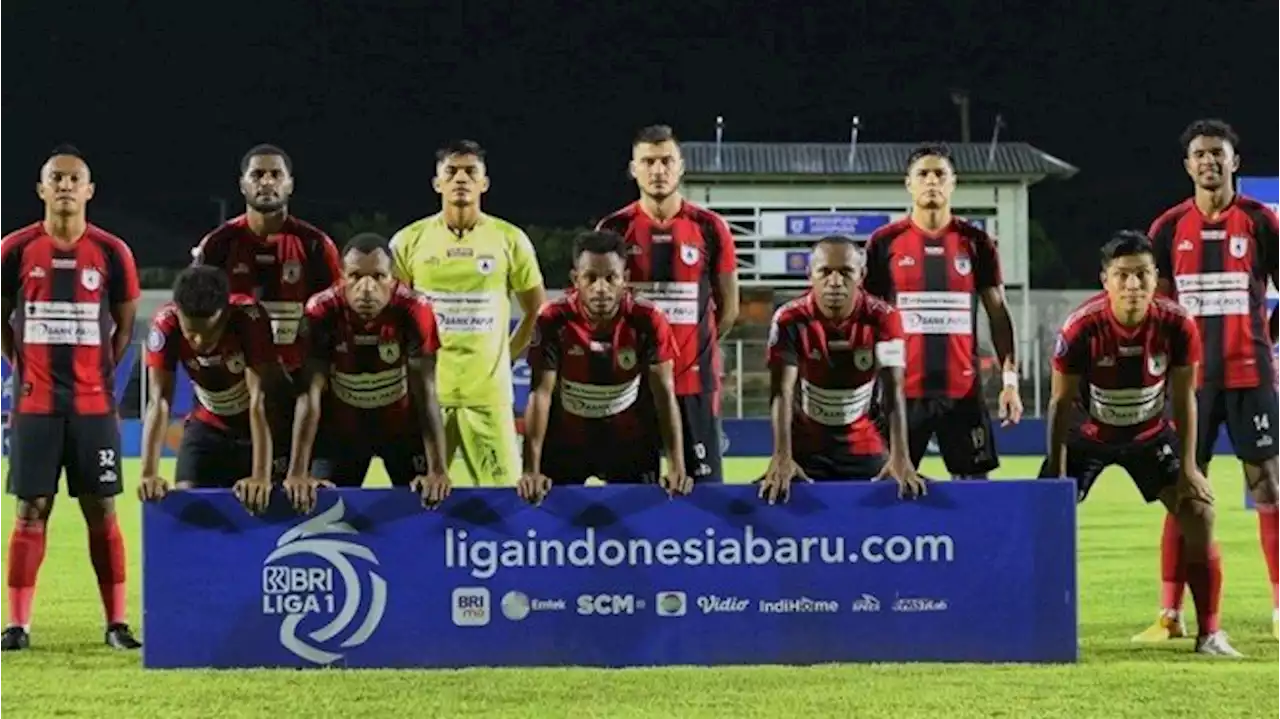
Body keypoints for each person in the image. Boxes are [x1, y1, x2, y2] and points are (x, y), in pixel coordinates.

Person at [1043, 230, 1239, 656]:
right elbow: (1059, 401)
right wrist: (1056, 468)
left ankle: (1209, 634)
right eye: (1122, 276)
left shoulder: (1177, 324)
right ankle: (1047, 629)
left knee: (1200, 513)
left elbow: (1185, 396)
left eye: (1142, 275)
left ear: (1156, 278)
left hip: (1148, 434)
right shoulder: (1081, 327)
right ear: (1105, 280)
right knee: (1043, 526)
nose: (1133, 285)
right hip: (1088, 434)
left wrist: (1189, 468)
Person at [1137, 119, 1280, 643]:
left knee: (1268, 483)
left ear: (1234, 162)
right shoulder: (1168, 228)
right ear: (1188, 165)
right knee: (1182, 491)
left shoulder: (1261, 221)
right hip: (1189, 383)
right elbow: (1160, 309)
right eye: (1200, 154)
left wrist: (1267, 335)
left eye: (1218, 154)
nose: (1209, 162)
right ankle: (1170, 615)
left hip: (1251, 375)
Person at [0, 145, 141, 651]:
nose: (64, 186)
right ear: (41, 189)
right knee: (30, 508)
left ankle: (118, 624)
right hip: (35, 406)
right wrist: (23, 365)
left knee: (101, 508)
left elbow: (124, 326)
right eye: (54, 179)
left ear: (89, 191)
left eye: (73, 179)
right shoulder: (15, 249)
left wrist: (96, 372)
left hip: (93, 406)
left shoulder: (111, 252)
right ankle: (17, 626)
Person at [389, 140, 547, 487]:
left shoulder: (510, 239)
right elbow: (392, 316)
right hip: (428, 396)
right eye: (451, 171)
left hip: (488, 396)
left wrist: (508, 354)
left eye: (470, 172)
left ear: (484, 183)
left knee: (507, 500)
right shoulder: (408, 241)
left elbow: (537, 308)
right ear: (437, 183)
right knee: (417, 499)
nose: (461, 178)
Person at [864, 142, 1023, 479]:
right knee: (881, 490)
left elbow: (998, 314)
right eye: (923, 174)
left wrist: (1010, 381)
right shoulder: (884, 242)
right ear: (909, 183)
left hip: (962, 393)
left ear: (953, 183)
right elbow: (865, 318)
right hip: (899, 394)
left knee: (974, 493)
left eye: (940, 174)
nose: (932, 181)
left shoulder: (977, 243)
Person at [596, 124, 739, 483]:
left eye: (666, 161)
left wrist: (691, 348)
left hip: (694, 385)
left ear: (681, 166)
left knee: (705, 494)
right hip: (632, 386)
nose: (658, 171)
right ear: (633, 168)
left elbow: (730, 309)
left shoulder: (710, 227)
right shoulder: (613, 228)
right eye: (648, 162)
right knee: (630, 493)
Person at [191, 144, 342, 478]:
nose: (267, 182)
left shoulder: (315, 245)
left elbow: (336, 318)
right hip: (233, 404)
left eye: (276, 174)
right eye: (257, 174)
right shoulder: (219, 244)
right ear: (243, 184)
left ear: (290, 184)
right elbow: (195, 313)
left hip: (295, 403)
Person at [517, 230, 690, 503]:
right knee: (549, 524)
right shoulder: (553, 318)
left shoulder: (648, 319)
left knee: (643, 526)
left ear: (625, 280)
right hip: (566, 442)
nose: (601, 287)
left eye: (611, 278)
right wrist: (530, 470)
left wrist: (677, 465)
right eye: (590, 278)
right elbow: (540, 395)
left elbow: (664, 394)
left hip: (629, 441)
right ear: (576, 279)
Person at [759, 235, 926, 504]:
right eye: (825, 272)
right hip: (806, 448)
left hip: (863, 445)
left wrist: (900, 456)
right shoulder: (789, 318)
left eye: (846, 272)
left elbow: (893, 391)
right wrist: (781, 456)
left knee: (894, 512)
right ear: (810, 275)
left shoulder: (885, 318)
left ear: (861, 275)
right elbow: (782, 393)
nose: (835, 282)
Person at [288, 233, 451, 508]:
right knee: (314, 505)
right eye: (355, 276)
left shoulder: (415, 309)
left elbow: (425, 391)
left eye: (378, 276)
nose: (366, 288)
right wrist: (297, 473)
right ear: (341, 276)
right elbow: (309, 395)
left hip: (400, 430)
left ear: (393, 277)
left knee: (427, 504)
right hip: (342, 431)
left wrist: (438, 470)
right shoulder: (321, 310)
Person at [136, 266, 283, 514]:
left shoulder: (249, 319)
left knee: (266, 507)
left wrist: (260, 475)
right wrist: (149, 473)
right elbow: (159, 400)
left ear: (225, 315)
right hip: (207, 427)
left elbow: (260, 400)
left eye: (210, 333)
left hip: (256, 430)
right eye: (191, 334)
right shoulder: (165, 324)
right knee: (185, 506)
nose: (200, 343)